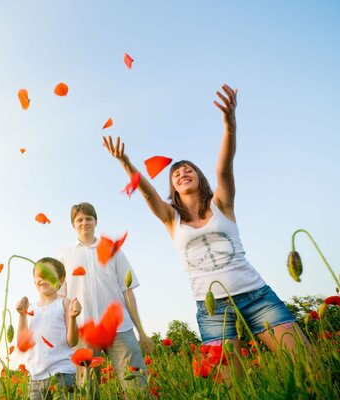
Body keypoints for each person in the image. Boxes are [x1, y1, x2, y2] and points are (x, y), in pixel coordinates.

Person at [103, 84, 310, 374]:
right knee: (233, 387)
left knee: (306, 366)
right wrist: (125, 162)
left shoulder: (222, 204)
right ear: (173, 187)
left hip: (257, 296)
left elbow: (224, 169)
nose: (182, 173)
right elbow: (148, 194)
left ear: (199, 176)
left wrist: (230, 125)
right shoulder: (169, 218)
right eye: (176, 174)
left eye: (188, 169)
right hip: (212, 310)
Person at [57, 202, 153, 395]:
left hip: (120, 329)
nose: (84, 222)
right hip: (84, 331)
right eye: (79, 219)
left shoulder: (112, 250)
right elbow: (61, 299)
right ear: (73, 224)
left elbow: (127, 291)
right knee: (88, 391)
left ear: (96, 222)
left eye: (88, 218)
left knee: (138, 386)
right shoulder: (64, 255)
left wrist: (141, 331)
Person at [16, 257, 82, 400]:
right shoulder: (31, 308)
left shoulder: (64, 304)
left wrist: (72, 317)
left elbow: (72, 342)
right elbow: (22, 343)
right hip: (35, 378)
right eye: (39, 275)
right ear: (34, 281)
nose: (43, 278)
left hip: (62, 375)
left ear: (61, 280)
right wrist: (22, 315)